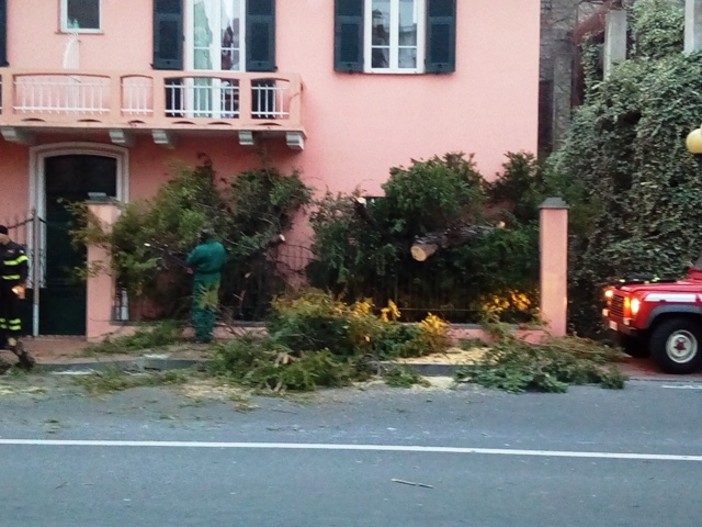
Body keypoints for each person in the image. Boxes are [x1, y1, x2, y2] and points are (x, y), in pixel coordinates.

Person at [0, 225, 35, 369]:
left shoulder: (16, 249)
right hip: (0, 286)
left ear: (4, 234)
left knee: (13, 311)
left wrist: (21, 283)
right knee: (1, 312)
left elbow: (24, 267)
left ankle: (14, 334)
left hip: (12, 286)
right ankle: (3, 334)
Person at [185, 227, 227, 343]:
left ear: (202, 237)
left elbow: (189, 261)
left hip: (203, 278)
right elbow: (224, 263)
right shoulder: (220, 247)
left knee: (200, 306)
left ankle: (200, 336)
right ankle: (208, 334)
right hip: (216, 278)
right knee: (211, 306)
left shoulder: (200, 249)